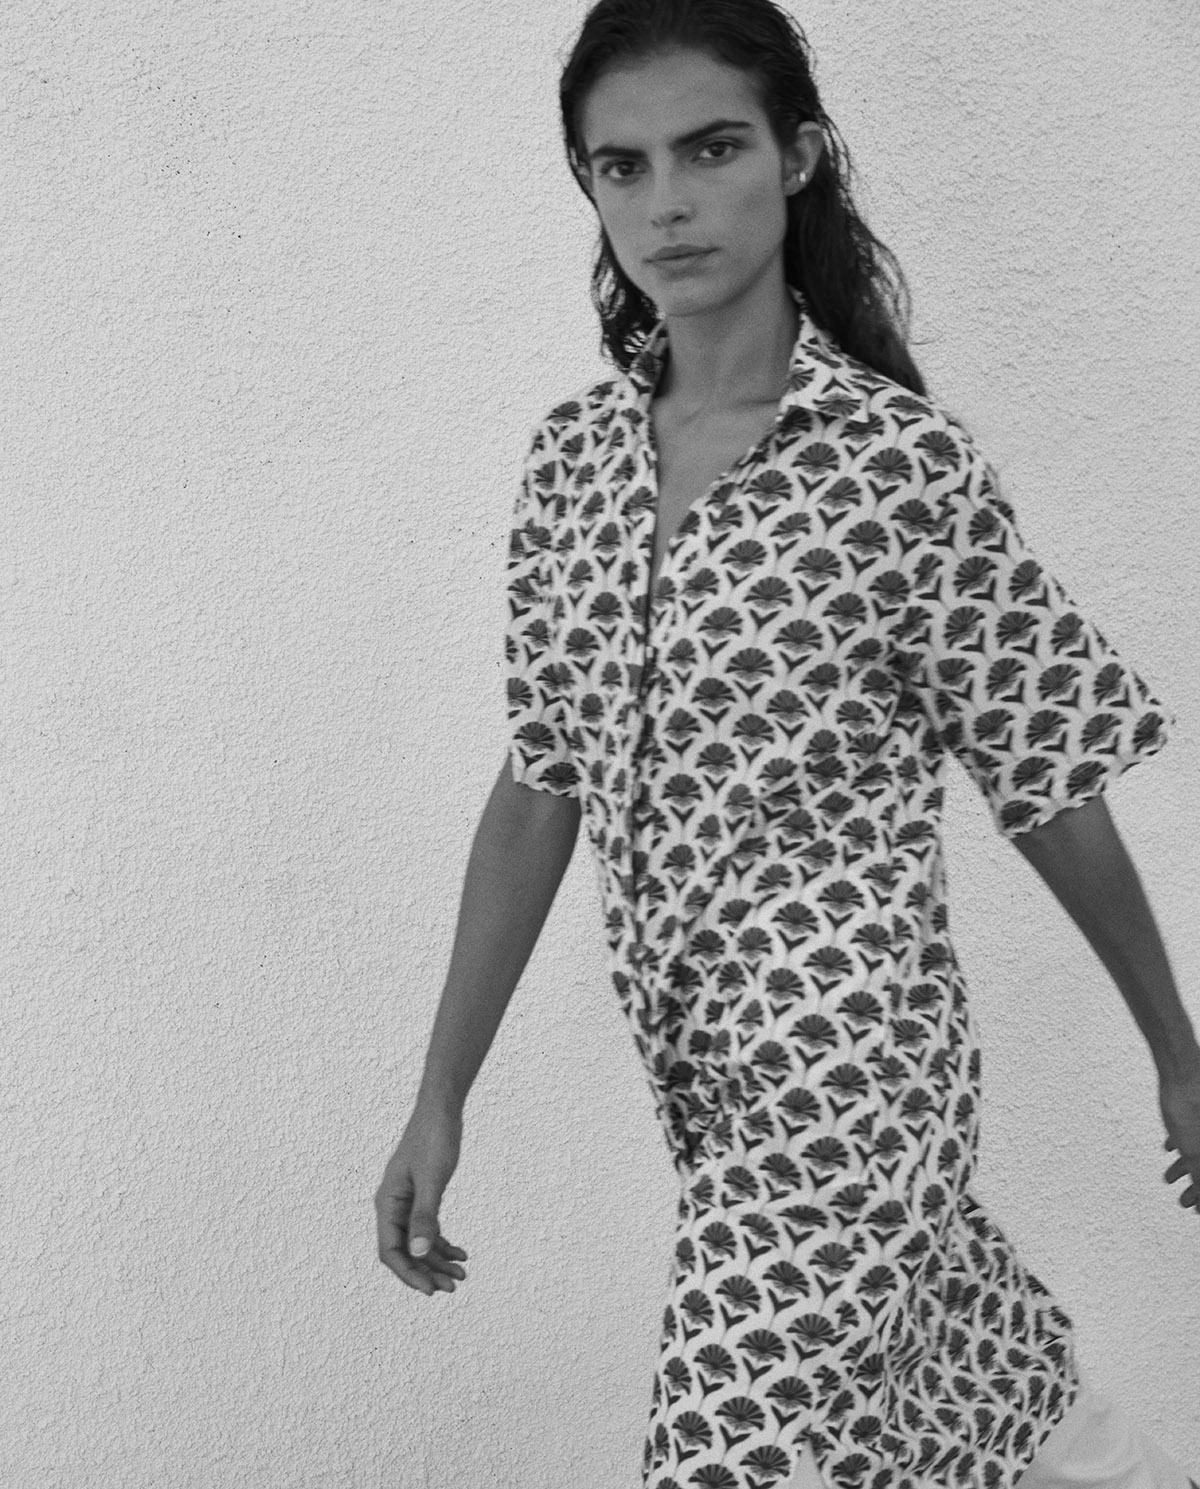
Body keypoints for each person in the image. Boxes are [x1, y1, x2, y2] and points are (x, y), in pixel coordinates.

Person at [376, 3, 1200, 1486]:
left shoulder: (900, 467)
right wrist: (443, 1095)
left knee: (722, 1455)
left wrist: (1178, 1052)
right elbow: (540, 784)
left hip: (854, 1062)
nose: (667, 202)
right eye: (621, 166)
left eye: (711, 150)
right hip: (699, 1072)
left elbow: (1048, 775)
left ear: (798, 156)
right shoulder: (569, 466)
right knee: (973, 1393)